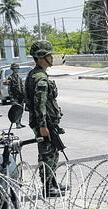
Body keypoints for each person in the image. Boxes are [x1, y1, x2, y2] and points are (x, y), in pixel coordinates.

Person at [25, 40, 67, 198]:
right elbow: (39, 104)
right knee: (47, 153)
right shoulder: (40, 78)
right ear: (41, 57)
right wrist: (43, 125)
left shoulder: (34, 74)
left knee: (53, 152)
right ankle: (48, 186)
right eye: (49, 55)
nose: (52, 57)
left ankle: (52, 182)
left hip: (46, 122)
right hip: (44, 122)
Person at [7, 63, 26, 128]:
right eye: (15, 69)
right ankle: (17, 124)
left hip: (21, 97)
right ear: (12, 69)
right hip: (15, 97)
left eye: (17, 69)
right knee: (16, 110)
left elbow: (22, 87)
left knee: (21, 110)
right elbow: (9, 89)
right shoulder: (10, 78)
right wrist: (12, 98)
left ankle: (19, 122)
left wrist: (24, 95)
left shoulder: (19, 77)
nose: (17, 70)